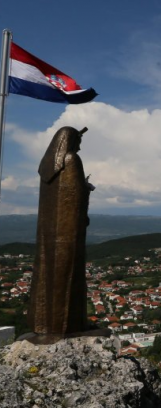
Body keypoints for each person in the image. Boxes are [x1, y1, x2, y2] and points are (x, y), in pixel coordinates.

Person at [27, 126, 93, 340]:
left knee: (46, 274)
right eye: (78, 140)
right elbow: (73, 195)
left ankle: (44, 324)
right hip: (69, 231)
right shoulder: (72, 160)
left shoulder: (46, 166)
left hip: (48, 231)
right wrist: (86, 188)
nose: (80, 145)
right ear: (70, 141)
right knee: (68, 275)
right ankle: (68, 326)